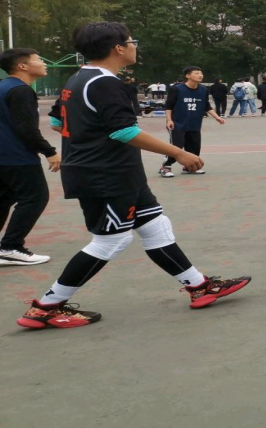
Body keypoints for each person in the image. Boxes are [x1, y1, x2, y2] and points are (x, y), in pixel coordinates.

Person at [17, 22, 250, 329]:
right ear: (118, 48)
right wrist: (179, 153)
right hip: (106, 176)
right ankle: (47, 307)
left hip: (118, 173)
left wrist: (86, 141)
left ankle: (199, 286)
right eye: (131, 42)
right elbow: (123, 131)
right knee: (110, 241)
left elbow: (57, 123)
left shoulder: (79, 78)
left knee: (156, 227)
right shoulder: (104, 83)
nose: (134, 46)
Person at [0, 49, 58, 266]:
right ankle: (10, 247)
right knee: (35, 197)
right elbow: (26, 128)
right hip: (17, 156)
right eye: (39, 59)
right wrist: (49, 151)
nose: (44, 63)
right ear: (22, 66)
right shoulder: (20, 90)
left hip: (4, 156)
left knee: (4, 198)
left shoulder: (3, 86)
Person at [159, 66, 225, 178]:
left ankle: (188, 167)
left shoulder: (204, 90)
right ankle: (166, 167)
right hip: (177, 124)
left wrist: (216, 117)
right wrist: (169, 120)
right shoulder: (177, 89)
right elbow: (169, 106)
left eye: (201, 73)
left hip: (195, 124)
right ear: (188, 76)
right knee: (176, 147)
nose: (200, 75)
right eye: (196, 73)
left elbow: (207, 106)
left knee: (194, 148)